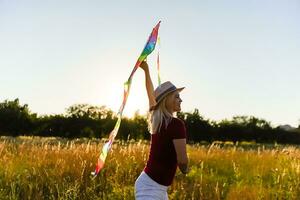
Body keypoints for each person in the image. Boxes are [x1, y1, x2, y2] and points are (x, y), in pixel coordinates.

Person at [135, 61, 189, 200]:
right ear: (167, 100)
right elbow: (182, 161)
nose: (181, 100)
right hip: (151, 188)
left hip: (154, 186)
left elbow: (150, 93)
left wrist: (146, 71)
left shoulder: (156, 120)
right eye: (176, 96)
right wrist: (185, 170)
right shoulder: (176, 125)